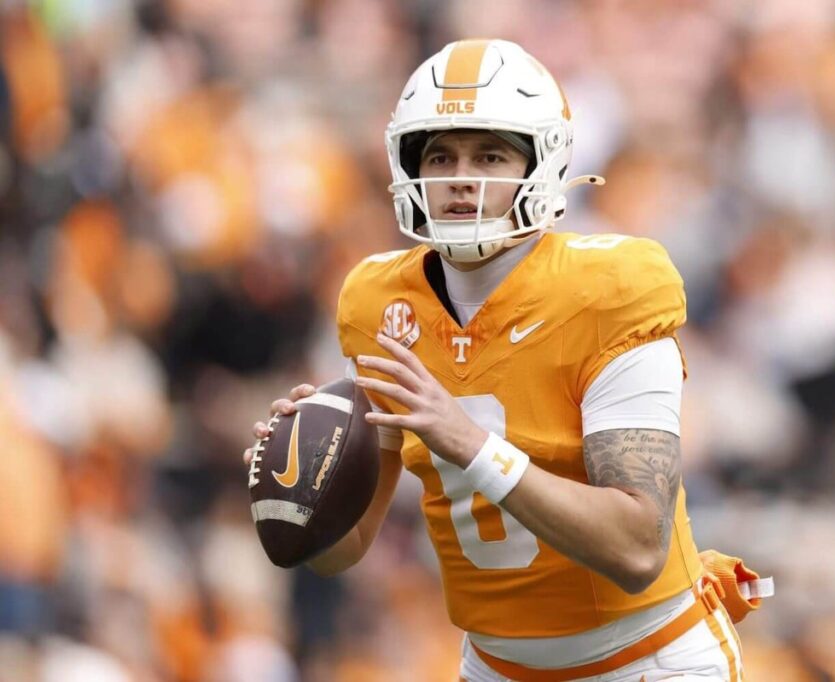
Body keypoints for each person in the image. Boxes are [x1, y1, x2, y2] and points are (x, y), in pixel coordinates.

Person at [245, 39, 768, 681]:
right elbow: (347, 547)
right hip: (497, 667)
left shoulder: (609, 288)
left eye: (489, 154)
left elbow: (638, 548)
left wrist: (470, 444)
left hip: (647, 661)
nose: (463, 176)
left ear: (540, 164)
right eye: (441, 156)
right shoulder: (377, 302)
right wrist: (298, 498)